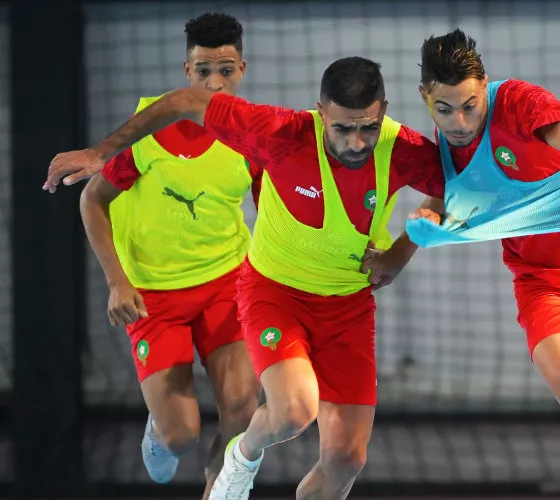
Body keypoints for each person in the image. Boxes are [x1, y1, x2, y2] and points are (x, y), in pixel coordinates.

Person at [44, 56, 445, 499]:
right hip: (275, 294)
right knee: (292, 410)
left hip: (349, 305)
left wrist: (401, 253)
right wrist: (101, 153)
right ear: (320, 112)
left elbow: (453, 188)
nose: (355, 142)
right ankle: (242, 457)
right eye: (342, 129)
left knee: (347, 458)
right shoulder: (278, 132)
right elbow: (182, 102)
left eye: (367, 127)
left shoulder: (404, 148)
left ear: (383, 110)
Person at [366, 29, 560, 500]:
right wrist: (399, 253)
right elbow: (453, 192)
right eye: (444, 108)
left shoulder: (518, 102)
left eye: (469, 104)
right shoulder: (445, 139)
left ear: (484, 84)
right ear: (424, 95)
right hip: (544, 283)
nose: (460, 120)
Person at [66, 13, 262, 498]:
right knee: (182, 433)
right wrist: (117, 281)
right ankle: (159, 433)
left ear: (242, 68)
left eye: (226, 70)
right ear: (185, 71)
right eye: (202, 71)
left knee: (243, 409)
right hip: (153, 295)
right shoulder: (148, 129)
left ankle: (221, 487)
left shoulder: (254, 134)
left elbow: (275, 214)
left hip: (224, 284)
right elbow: (92, 201)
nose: (214, 83)